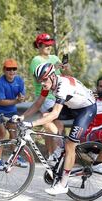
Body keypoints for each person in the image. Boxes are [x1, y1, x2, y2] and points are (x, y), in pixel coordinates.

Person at [16, 62, 96, 195]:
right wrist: (22, 117)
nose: (42, 83)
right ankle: (60, 147)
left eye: (44, 80)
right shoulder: (49, 83)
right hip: (72, 107)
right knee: (45, 115)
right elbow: (37, 104)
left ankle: (63, 184)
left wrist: (32, 124)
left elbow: (55, 114)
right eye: (40, 80)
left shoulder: (61, 86)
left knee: (71, 145)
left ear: (52, 76)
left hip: (86, 109)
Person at [29, 33, 69, 163]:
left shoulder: (54, 57)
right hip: (45, 96)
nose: (49, 47)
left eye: (50, 44)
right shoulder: (37, 60)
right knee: (56, 125)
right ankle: (55, 154)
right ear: (39, 45)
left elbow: (66, 74)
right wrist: (55, 67)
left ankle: (52, 156)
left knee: (54, 126)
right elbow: (39, 78)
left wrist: (65, 68)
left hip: (57, 95)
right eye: (46, 44)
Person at [0, 58, 27, 170]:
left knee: (13, 133)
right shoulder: (0, 82)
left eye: (14, 69)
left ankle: (15, 158)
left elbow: (22, 95)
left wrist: (21, 97)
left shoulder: (19, 81)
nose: (11, 71)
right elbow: (1, 101)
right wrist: (17, 101)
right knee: (1, 134)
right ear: (4, 70)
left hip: (11, 110)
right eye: (8, 69)